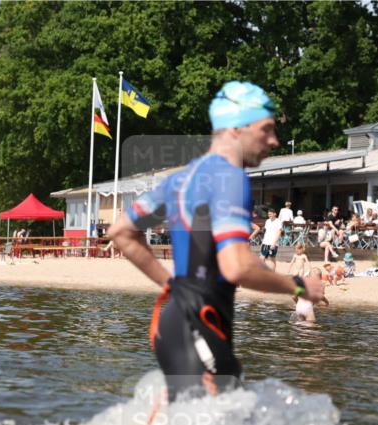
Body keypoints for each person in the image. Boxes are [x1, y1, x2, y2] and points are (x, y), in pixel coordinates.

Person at [107, 80, 326, 399]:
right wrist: (298, 285)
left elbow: (121, 231)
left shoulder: (181, 179)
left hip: (177, 322)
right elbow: (235, 267)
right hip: (200, 326)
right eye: (266, 129)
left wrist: (173, 286)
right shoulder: (229, 176)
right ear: (236, 128)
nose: (274, 141)